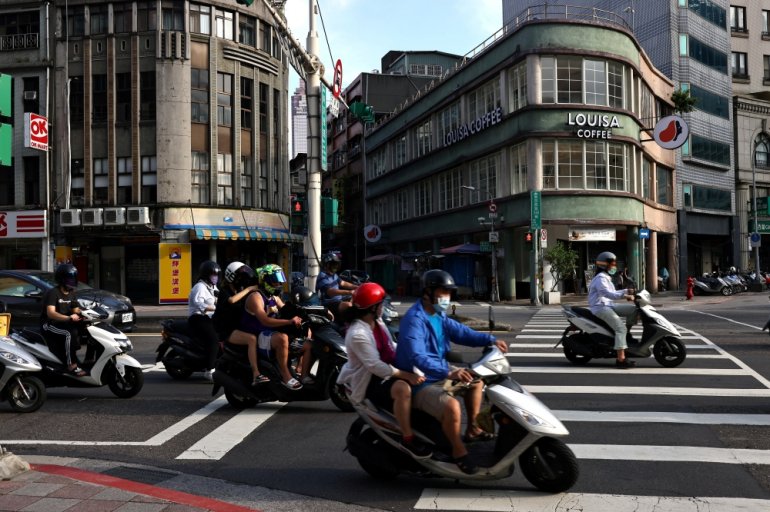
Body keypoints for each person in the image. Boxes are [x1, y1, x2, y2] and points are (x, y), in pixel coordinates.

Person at [395, 269, 509, 475]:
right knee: (452, 408)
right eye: (442, 292)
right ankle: (458, 452)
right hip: (421, 381)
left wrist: (490, 340)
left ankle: (473, 429)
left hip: (439, 372)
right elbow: (417, 356)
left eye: (448, 293)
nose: (446, 297)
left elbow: (461, 332)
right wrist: (448, 372)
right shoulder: (415, 320)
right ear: (428, 292)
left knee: (476, 381)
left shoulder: (438, 315)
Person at [337, 282, 433, 459]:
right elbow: (374, 365)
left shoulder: (376, 321)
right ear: (372, 308)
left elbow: (390, 346)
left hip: (386, 371)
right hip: (369, 380)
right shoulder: (358, 333)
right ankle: (408, 438)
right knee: (402, 390)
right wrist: (407, 375)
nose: (383, 307)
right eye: (381, 304)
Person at [240, 264, 304, 390]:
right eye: (275, 280)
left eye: (280, 280)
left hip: (269, 332)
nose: (279, 283)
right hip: (258, 334)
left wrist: (315, 310)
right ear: (266, 280)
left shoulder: (273, 297)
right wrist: (289, 321)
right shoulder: (256, 297)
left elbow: (287, 310)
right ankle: (285, 376)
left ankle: (302, 373)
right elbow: (265, 321)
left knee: (306, 342)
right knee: (282, 338)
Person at [213, 262, 269, 387]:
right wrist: (249, 289)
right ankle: (256, 374)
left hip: (239, 327)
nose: (242, 280)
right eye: (240, 277)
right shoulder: (225, 291)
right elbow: (232, 300)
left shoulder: (240, 290)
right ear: (231, 277)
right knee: (252, 339)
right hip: (227, 330)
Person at [588, 251, 637, 369]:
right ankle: (621, 359)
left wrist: (627, 291)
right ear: (604, 265)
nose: (614, 266)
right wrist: (625, 296)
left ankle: (626, 334)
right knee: (620, 328)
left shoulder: (606, 277)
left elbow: (613, 293)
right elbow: (608, 294)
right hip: (600, 308)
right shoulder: (600, 278)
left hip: (608, 305)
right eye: (612, 264)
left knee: (635, 310)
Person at [41, 263, 85, 376]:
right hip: (49, 324)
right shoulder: (53, 293)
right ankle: (71, 365)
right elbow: (50, 313)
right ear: (62, 279)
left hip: (64, 323)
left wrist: (86, 313)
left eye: (74, 278)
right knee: (69, 333)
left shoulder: (71, 293)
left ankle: (86, 359)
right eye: (70, 279)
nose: (72, 281)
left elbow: (76, 310)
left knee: (84, 329)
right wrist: (69, 318)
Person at [188, 260, 221, 381]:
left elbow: (218, 299)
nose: (215, 277)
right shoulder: (200, 287)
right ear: (206, 274)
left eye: (217, 275)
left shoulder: (212, 287)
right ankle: (209, 370)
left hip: (209, 317)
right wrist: (214, 307)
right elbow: (198, 304)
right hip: (198, 317)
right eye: (213, 274)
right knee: (214, 339)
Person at [316, 252, 358, 318]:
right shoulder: (322, 276)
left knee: (357, 301)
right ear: (327, 265)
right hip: (329, 303)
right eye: (333, 264)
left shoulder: (334, 275)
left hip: (339, 300)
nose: (335, 266)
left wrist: (357, 287)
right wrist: (349, 292)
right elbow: (330, 292)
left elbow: (343, 283)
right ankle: (347, 325)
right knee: (349, 305)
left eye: (336, 264)